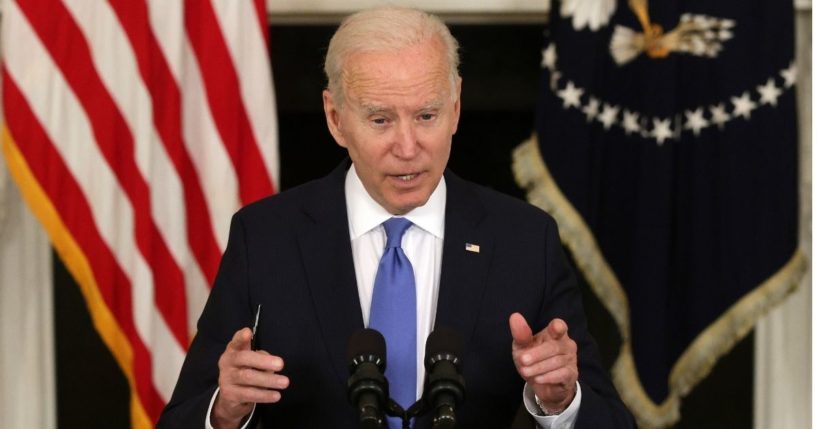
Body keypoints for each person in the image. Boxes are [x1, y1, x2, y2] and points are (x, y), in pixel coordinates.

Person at [158, 6, 634, 429]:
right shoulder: (266, 238)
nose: (408, 149)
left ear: (456, 106)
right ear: (335, 118)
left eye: (426, 116)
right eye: (381, 119)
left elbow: (608, 419)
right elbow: (183, 417)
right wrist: (225, 412)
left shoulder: (525, 240)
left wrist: (561, 402)